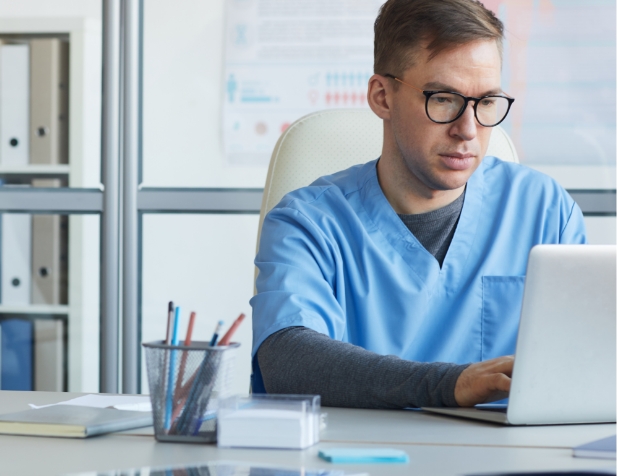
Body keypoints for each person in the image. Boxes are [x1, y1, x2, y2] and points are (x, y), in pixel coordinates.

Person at [250, 0, 586, 409]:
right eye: (443, 98)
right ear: (382, 97)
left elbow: (584, 363)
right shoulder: (308, 223)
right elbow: (288, 359)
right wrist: (447, 385)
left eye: (485, 102)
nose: (468, 129)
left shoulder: (545, 211)